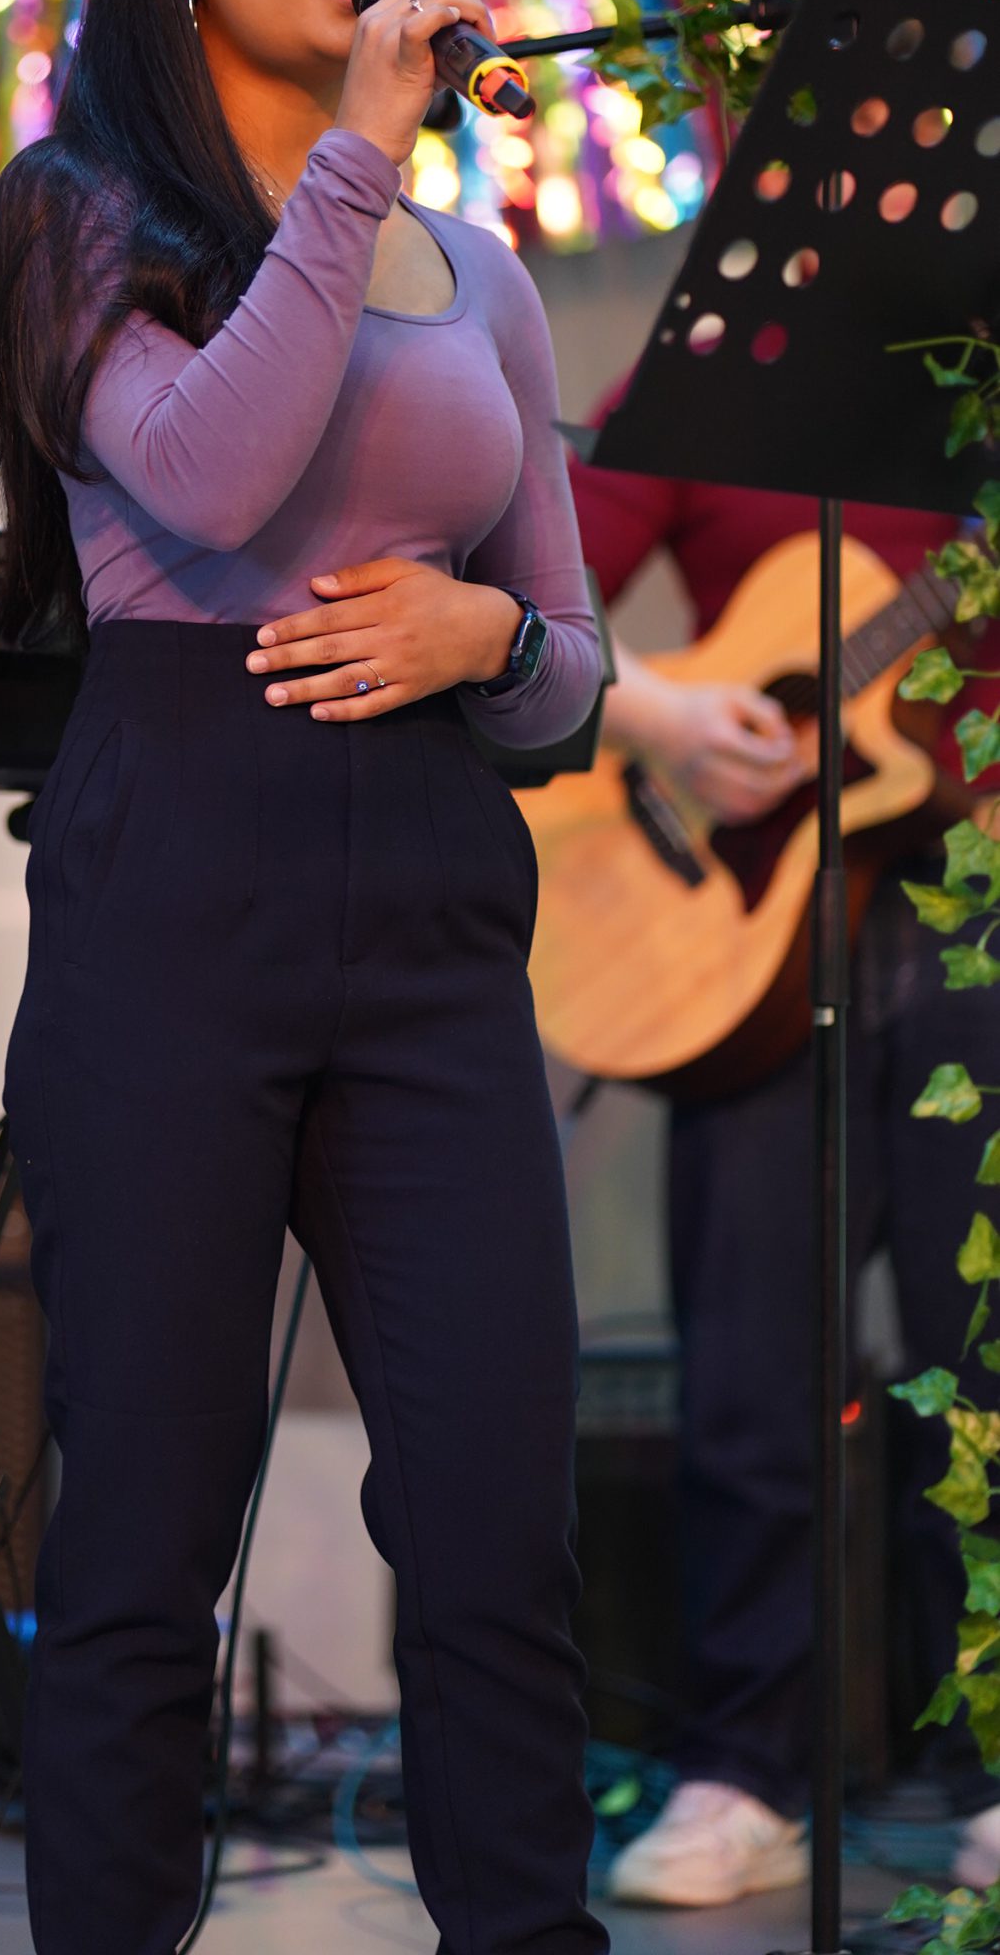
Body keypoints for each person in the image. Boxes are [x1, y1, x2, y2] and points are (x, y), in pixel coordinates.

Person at [0, 0, 608, 1955]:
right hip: (176, 893)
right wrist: (353, 156)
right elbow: (210, 478)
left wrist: (481, 633)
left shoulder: (480, 275)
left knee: (496, 1530)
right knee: (145, 1541)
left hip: (432, 917)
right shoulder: (75, 217)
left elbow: (570, 676)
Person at [556, 384, 1000, 1905]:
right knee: (749, 1368)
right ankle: (743, 1769)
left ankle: (991, 1764)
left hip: (973, 894)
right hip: (744, 942)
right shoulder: (710, 381)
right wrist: (666, 717)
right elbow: (524, 591)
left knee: (982, 1358)